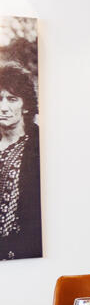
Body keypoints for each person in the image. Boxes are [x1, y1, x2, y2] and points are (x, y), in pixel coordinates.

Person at [0, 62, 41, 261]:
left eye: (12, 99)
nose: (3, 108)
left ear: (25, 105)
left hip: (24, 252)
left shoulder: (39, 146)